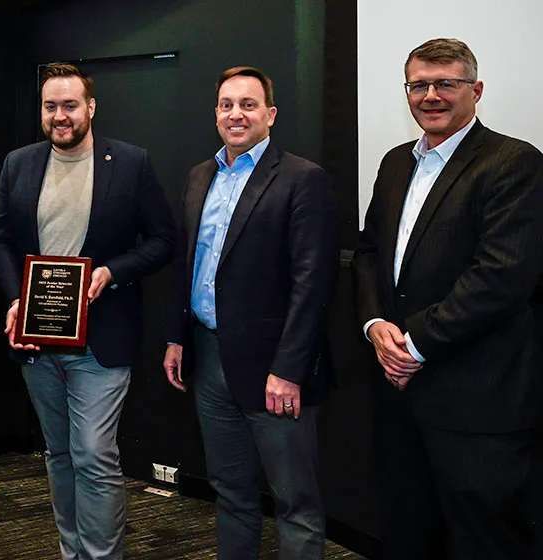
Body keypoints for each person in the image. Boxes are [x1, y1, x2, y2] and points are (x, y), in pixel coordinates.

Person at [352, 38, 543, 560]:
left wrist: (411, 345)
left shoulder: (514, 162)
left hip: (477, 403)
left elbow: (502, 278)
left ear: (475, 91)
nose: (430, 95)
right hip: (400, 400)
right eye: (419, 85)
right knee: (409, 532)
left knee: (485, 542)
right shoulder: (395, 163)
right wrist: (374, 324)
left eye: (446, 84)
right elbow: (369, 254)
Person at [0, 63, 174, 559]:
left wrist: (111, 272)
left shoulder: (130, 163)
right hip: (36, 338)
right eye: (50, 107)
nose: (60, 116)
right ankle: (72, 552)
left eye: (69, 105)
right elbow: (1, 239)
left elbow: (162, 241)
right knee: (59, 454)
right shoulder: (19, 163)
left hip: (102, 339)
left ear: (90, 108)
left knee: (93, 453)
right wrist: (14, 300)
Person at [162, 66, 338, 560]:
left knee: (294, 503)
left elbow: (314, 284)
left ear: (270, 114)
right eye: (226, 104)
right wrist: (178, 336)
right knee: (231, 492)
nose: (236, 114)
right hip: (209, 358)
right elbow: (186, 263)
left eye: (248, 104)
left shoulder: (303, 179)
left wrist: (289, 369)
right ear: (216, 113)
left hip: (274, 370)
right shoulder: (201, 176)